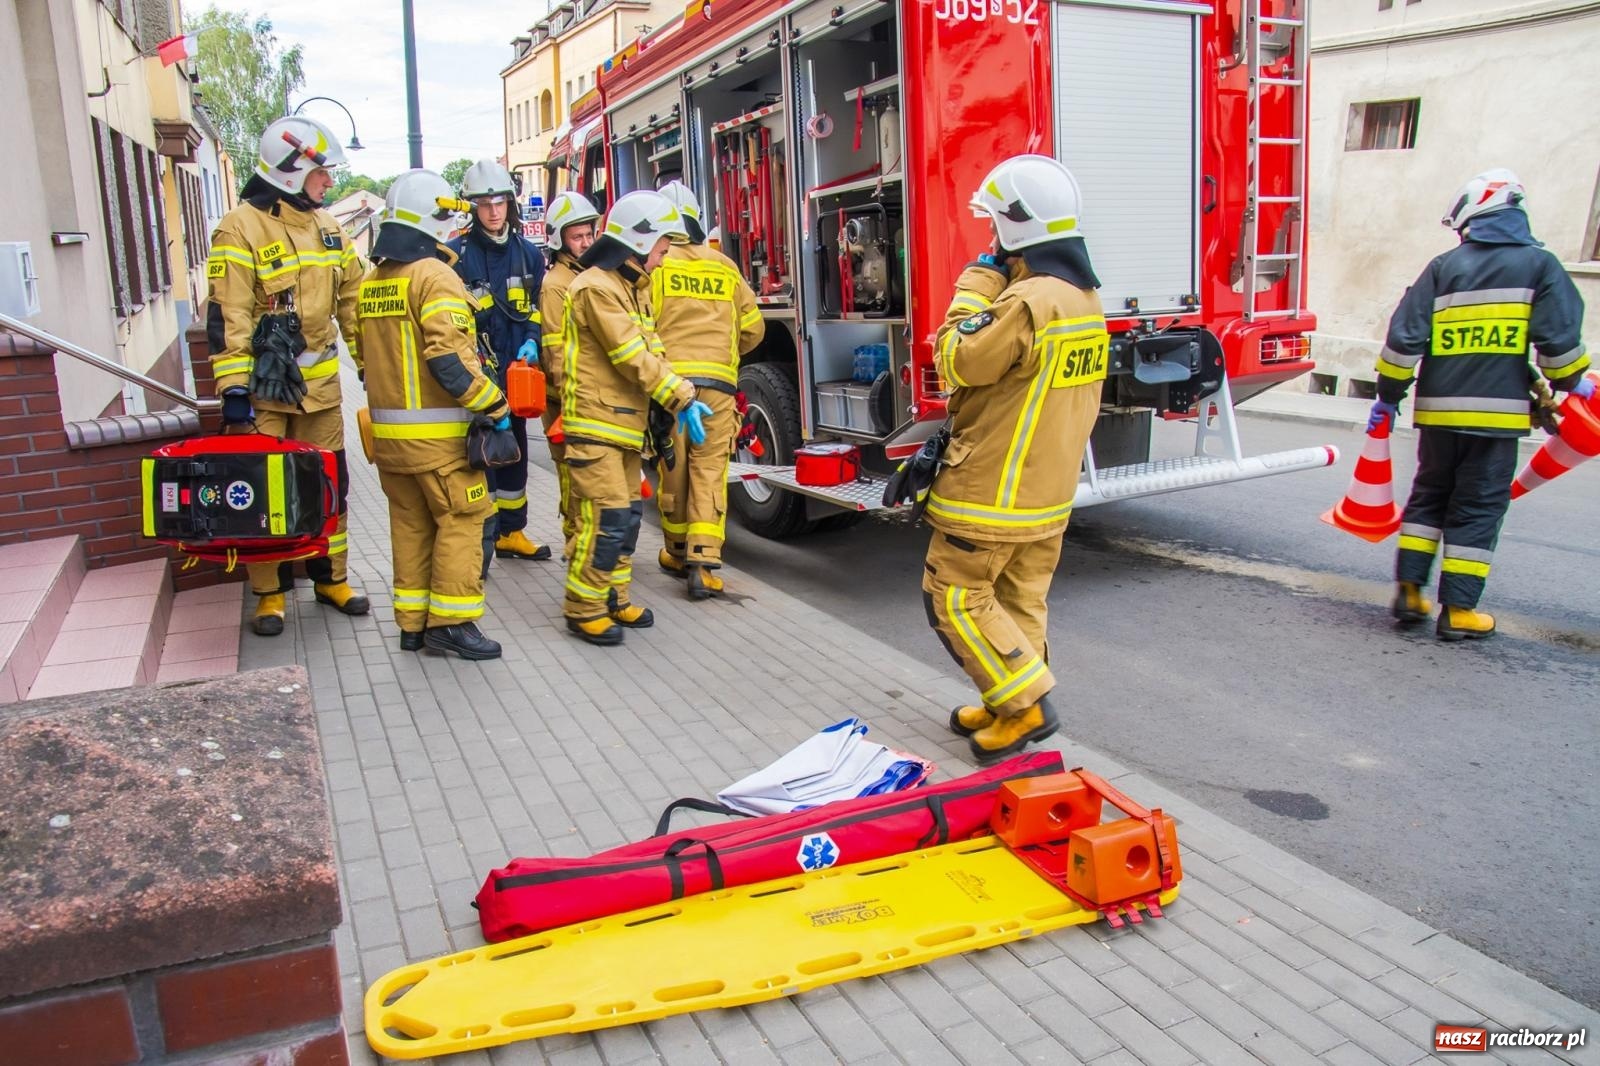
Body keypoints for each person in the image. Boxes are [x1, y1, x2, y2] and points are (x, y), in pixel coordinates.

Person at [923, 155, 1107, 765]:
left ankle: (1026, 705)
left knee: (951, 593)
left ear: (1015, 229)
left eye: (993, 226)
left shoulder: (1027, 302)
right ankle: (1007, 706)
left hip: (992, 490)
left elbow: (956, 359)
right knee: (1019, 598)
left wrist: (974, 288)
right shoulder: (1084, 299)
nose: (988, 238)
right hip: (1047, 491)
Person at [1370, 168, 1590, 641]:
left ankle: (1410, 591)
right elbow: (1556, 339)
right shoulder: (1540, 266)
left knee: (1429, 496)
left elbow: (1404, 337)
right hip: (1495, 420)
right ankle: (1459, 611)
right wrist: (1575, 383)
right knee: (1477, 508)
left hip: (1438, 416)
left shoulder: (1443, 267)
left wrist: (1388, 398)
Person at [205, 115, 370, 637]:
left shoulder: (329, 229)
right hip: (262, 397)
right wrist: (233, 387)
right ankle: (269, 595)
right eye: (322, 172)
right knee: (261, 493)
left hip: (320, 395)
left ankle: (331, 580)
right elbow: (228, 313)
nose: (330, 181)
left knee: (330, 489)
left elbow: (354, 303)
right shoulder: (240, 227)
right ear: (291, 169)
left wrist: (369, 363)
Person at [356, 170, 511, 660]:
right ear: (434, 219)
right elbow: (450, 362)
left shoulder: (374, 281)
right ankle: (452, 622)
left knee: (411, 527)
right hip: (440, 446)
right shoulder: (434, 275)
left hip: (390, 444)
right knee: (464, 522)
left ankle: (413, 625)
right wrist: (496, 405)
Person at [559, 189, 711, 646]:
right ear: (640, 243)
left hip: (623, 428)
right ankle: (583, 609)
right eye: (662, 249)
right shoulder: (595, 288)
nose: (664, 260)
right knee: (605, 521)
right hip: (596, 427)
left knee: (624, 520)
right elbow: (630, 356)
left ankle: (614, 596)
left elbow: (654, 351)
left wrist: (667, 411)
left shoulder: (631, 289)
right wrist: (682, 397)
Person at [651, 180, 765, 598]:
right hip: (718, 387)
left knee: (674, 469)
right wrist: (726, 352)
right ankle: (703, 563)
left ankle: (676, 553)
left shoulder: (657, 266)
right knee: (709, 471)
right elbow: (754, 329)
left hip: (672, 388)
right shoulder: (724, 266)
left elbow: (643, 324)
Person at [447, 160, 552, 567]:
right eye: (484, 204)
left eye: (499, 203)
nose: (493, 212)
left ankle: (512, 531)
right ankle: (482, 536)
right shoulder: (455, 256)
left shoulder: (529, 255)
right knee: (478, 458)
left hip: (516, 376)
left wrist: (531, 343)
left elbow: (536, 312)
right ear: (472, 208)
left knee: (516, 453)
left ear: (510, 203)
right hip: (476, 380)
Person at [538, 190, 602, 552]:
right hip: (565, 400)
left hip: (589, 395)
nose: (585, 242)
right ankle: (576, 540)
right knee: (572, 474)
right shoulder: (556, 285)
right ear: (558, 240)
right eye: (576, 237)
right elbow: (557, 350)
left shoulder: (589, 274)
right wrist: (572, 402)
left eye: (589, 234)